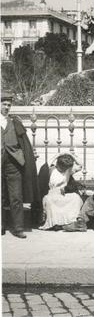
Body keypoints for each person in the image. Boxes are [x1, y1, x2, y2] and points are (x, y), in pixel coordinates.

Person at [1, 91, 40, 238]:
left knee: (16, 196)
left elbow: (24, 144)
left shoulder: (15, 122)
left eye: (8, 105)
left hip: (14, 164)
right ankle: (1, 225)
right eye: (4, 104)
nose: (6, 107)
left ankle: (18, 228)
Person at [39, 152, 83, 231]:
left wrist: (71, 155)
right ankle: (56, 223)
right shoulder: (51, 170)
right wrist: (57, 155)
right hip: (52, 195)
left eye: (64, 169)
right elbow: (44, 167)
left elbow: (80, 165)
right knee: (48, 200)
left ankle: (70, 222)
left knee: (76, 198)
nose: (63, 170)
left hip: (63, 194)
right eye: (61, 168)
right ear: (57, 164)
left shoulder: (68, 170)